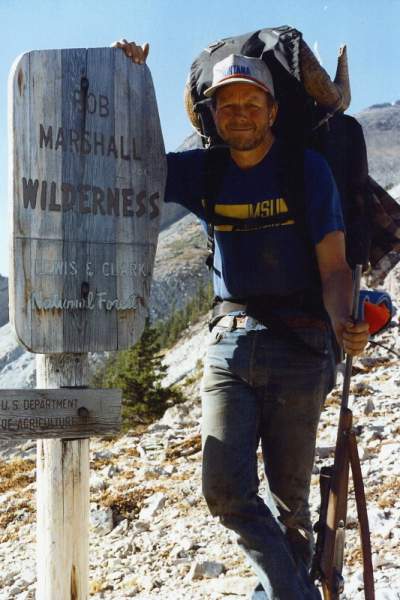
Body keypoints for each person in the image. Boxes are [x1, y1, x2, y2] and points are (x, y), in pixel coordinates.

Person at [114, 39, 370, 599]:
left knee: (290, 503)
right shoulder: (202, 171)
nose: (240, 114)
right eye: (226, 104)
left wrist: (344, 326)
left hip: (303, 346)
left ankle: (277, 591)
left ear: (272, 110)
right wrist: (130, 77)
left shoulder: (308, 171)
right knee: (225, 488)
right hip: (231, 343)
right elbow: (135, 160)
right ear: (212, 114)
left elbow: (333, 268)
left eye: (252, 103)